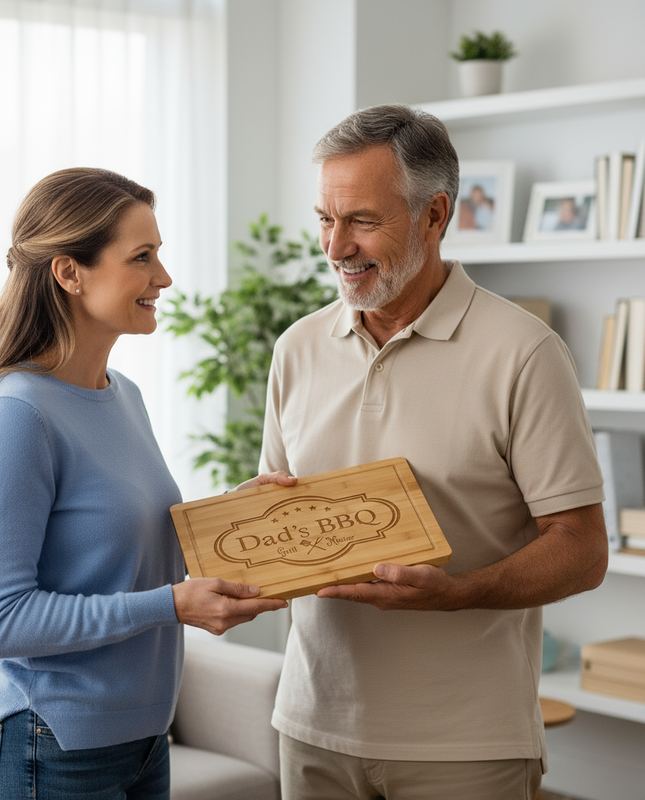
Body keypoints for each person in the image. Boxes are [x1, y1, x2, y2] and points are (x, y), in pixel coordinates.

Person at [259, 106, 608, 800]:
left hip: (465, 743)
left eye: (362, 220)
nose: (336, 246)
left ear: (434, 215)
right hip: (313, 730)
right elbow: (282, 508)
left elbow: (582, 548)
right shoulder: (296, 348)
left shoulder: (524, 352)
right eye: (325, 219)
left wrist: (460, 594)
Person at [0, 167, 295, 800]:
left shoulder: (124, 396)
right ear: (70, 272)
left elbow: (122, 550)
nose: (164, 277)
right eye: (142, 257)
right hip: (50, 746)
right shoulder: (19, 416)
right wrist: (171, 605)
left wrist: (232, 517)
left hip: (143, 742)